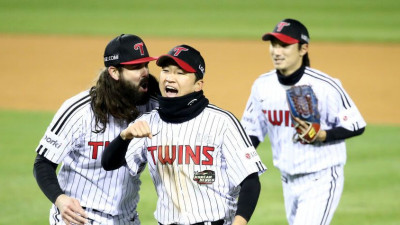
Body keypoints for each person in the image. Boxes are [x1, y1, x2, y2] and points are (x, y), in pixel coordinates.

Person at [102, 44, 267, 225]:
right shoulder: (147, 123)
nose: (170, 78)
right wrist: (124, 137)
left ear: (198, 85)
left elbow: (250, 181)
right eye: (166, 71)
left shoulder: (222, 122)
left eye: (180, 73)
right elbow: (109, 163)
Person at [241, 18, 366, 225]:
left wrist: (323, 135)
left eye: (284, 45)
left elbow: (356, 124)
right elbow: (252, 133)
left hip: (322, 177)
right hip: (287, 179)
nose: (276, 51)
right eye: (274, 44)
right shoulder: (262, 85)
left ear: (303, 48)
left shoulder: (325, 86)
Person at [33, 34, 159, 225]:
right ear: (114, 72)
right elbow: (43, 163)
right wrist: (60, 199)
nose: (144, 73)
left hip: (127, 219)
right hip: (79, 218)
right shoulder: (80, 110)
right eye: (135, 67)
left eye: (145, 66)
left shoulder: (152, 107)